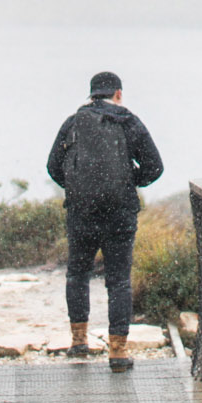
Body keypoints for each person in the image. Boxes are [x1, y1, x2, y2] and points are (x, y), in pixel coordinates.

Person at [47, 70, 163, 371]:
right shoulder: (128, 122)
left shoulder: (72, 123)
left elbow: (52, 167)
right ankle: (118, 352)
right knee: (119, 281)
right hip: (119, 214)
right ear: (118, 94)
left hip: (81, 213)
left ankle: (79, 342)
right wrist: (128, 181)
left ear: (91, 95)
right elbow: (154, 166)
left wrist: (78, 187)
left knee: (77, 275)